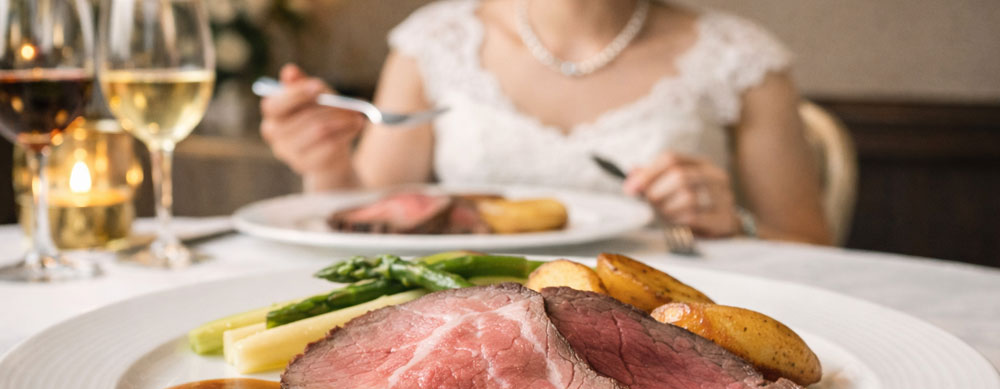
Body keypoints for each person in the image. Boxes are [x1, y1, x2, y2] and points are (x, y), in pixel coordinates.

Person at [260, 0, 832, 244]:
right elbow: (369, 216)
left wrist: (735, 223)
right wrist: (325, 162)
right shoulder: (436, 41)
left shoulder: (740, 57)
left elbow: (812, 249)